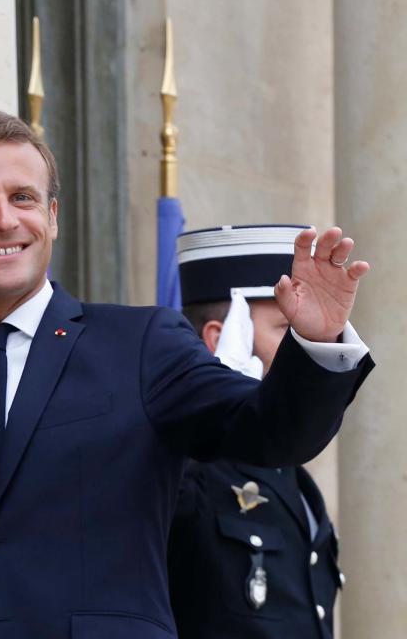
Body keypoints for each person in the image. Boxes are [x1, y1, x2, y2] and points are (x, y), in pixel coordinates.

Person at [0, 111, 373, 638]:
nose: (4, 219)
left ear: (53, 216)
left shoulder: (141, 345)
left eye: (24, 198)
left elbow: (271, 430)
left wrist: (315, 343)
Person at [168, 224, 348, 638]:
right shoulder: (186, 466)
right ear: (220, 338)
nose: (305, 340)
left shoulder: (294, 478)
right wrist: (209, 408)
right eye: (287, 329)